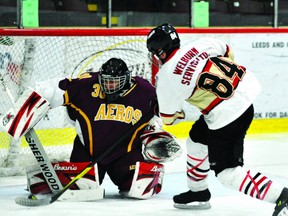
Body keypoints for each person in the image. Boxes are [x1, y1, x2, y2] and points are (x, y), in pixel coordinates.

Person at [146, 23, 288, 216]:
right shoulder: (202, 43)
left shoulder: (167, 76)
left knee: (227, 173)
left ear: (161, 53)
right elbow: (227, 52)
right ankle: (199, 192)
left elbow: (169, 119)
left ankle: (282, 196)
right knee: (197, 139)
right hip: (244, 91)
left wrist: (167, 108)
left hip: (228, 114)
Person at [24, 57, 182, 200]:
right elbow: (54, 90)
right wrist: (26, 108)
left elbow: (159, 116)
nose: (109, 86)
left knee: (140, 188)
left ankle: (154, 173)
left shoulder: (144, 91)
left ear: (126, 79)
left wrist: (155, 134)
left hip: (124, 155)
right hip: (88, 153)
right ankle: (53, 171)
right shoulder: (87, 85)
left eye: (115, 82)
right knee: (82, 187)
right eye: (106, 81)